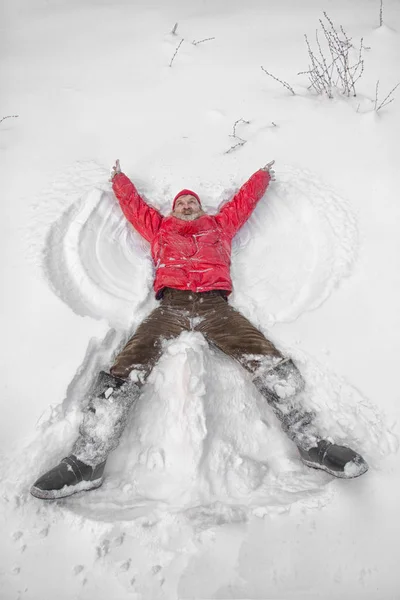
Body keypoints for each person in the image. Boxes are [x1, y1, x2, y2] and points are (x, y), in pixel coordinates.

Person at [30, 160, 368, 500]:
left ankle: (312, 443)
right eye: (181, 203)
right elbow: (133, 207)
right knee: (126, 366)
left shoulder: (219, 226)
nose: (186, 206)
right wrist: (119, 179)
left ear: (200, 207)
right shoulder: (161, 228)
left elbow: (244, 203)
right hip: (171, 307)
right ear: (174, 209)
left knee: (268, 360)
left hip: (215, 308)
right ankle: (88, 460)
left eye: (191, 202)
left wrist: (261, 176)